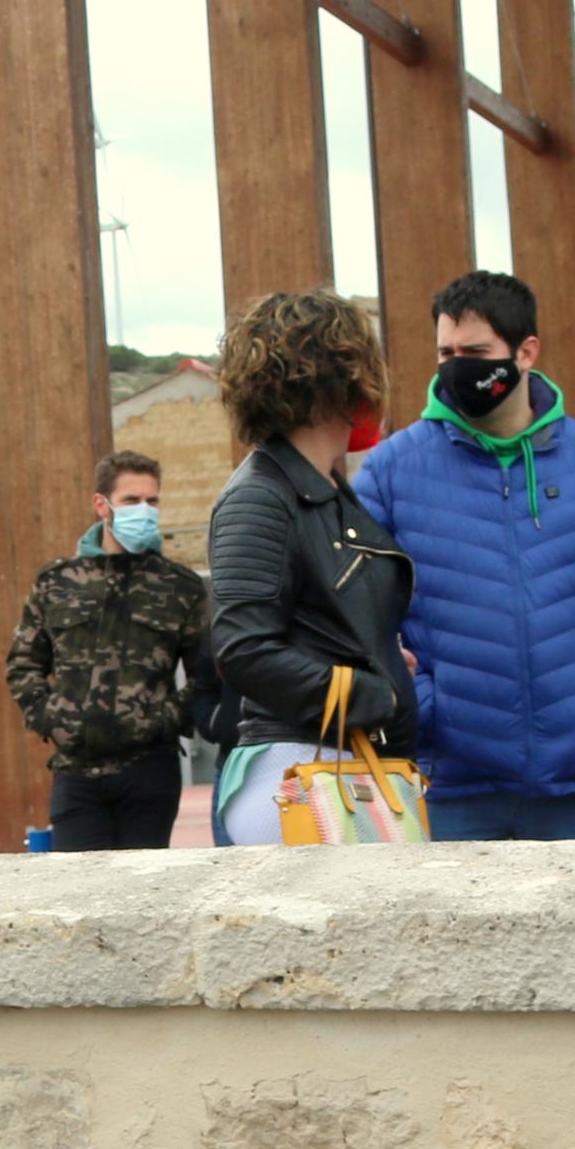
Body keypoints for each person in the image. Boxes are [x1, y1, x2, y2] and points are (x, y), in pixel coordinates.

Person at [352, 270, 575, 841]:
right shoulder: (391, 467)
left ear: (526, 352)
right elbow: (357, 602)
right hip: (445, 781)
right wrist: (424, 707)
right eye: (445, 353)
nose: (457, 367)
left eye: (475, 352)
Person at [203, 290, 409, 845]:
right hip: (300, 771)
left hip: (330, 764)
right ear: (346, 377)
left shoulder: (323, 490)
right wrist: (375, 692)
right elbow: (243, 647)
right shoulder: (263, 497)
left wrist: (377, 658)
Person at [4, 449, 209, 851]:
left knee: (144, 895)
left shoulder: (178, 585)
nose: (145, 510)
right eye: (132, 500)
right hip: (77, 771)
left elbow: (206, 673)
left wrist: (164, 720)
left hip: (150, 771)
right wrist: (53, 718)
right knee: (78, 897)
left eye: (153, 501)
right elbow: (23, 663)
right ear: (102, 505)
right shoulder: (58, 581)